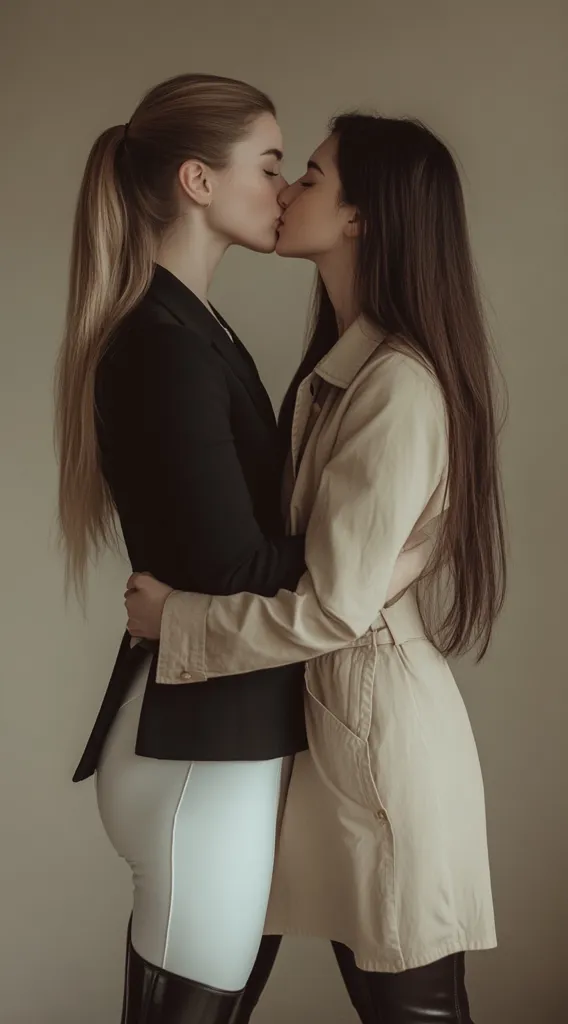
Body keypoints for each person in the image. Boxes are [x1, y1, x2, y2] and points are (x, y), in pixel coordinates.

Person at [125, 114, 507, 1024]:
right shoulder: (347, 373)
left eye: (312, 173)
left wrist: (176, 620)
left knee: (414, 1007)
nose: (290, 187)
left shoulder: (396, 385)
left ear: (360, 219)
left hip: (381, 751)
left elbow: (333, 609)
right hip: (327, 728)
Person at [55, 73, 313, 1024]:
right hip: (198, 758)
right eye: (272, 165)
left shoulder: (193, 328)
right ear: (200, 181)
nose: (284, 189)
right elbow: (233, 571)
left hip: (211, 742)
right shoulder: (162, 343)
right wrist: (383, 551)